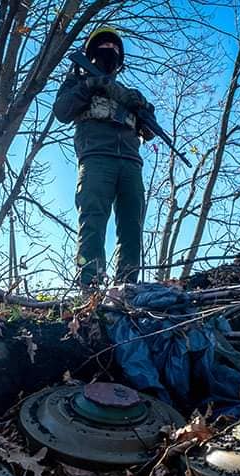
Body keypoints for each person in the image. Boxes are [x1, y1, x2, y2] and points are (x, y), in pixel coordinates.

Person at [53, 27, 155, 289]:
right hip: (96, 159)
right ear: (91, 53)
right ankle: (90, 288)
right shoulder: (77, 84)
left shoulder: (130, 94)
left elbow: (151, 131)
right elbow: (62, 111)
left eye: (114, 47)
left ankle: (126, 289)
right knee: (93, 222)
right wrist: (89, 85)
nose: (109, 50)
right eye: (103, 46)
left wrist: (142, 108)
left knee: (132, 227)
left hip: (131, 164)